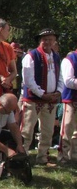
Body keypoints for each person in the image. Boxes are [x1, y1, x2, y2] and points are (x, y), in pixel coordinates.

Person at [20, 28, 63, 167]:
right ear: (40, 41)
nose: (48, 42)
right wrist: (42, 94)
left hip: (51, 100)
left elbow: (60, 77)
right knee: (27, 130)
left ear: (54, 41)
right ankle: (22, 157)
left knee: (48, 131)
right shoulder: (31, 56)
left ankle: (42, 157)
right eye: (45, 39)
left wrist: (58, 91)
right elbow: (28, 80)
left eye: (51, 39)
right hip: (33, 99)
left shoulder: (56, 56)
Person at [59, 46, 77, 164]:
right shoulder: (70, 59)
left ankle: (74, 156)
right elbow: (68, 81)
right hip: (70, 99)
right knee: (67, 128)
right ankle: (63, 157)